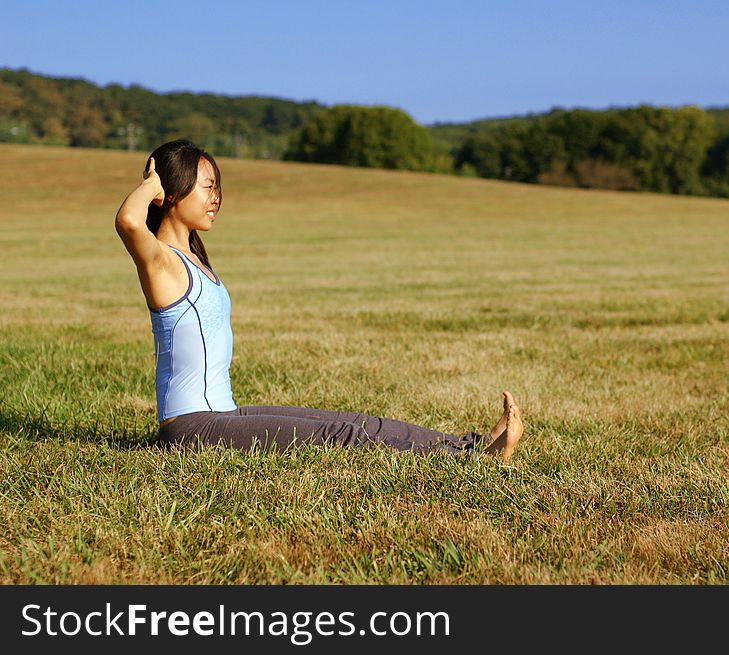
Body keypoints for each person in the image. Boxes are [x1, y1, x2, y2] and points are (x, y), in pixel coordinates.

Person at [115, 140, 525, 462]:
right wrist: (153, 183)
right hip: (190, 429)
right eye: (207, 187)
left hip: (222, 415)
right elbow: (128, 221)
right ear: (173, 193)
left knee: (350, 421)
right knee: (337, 437)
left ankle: (471, 447)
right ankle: (468, 460)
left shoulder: (193, 259)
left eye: (217, 188)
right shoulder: (161, 262)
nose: (216, 197)